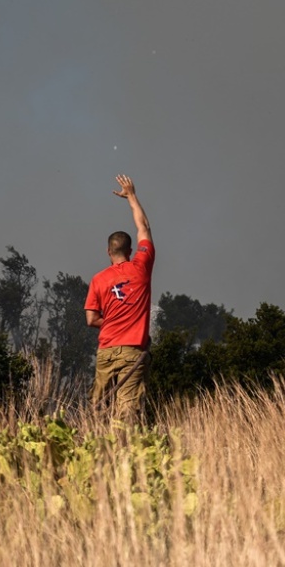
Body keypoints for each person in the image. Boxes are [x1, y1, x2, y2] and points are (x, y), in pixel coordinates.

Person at [84, 174, 155, 420]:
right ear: (131, 250)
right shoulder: (141, 267)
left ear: (108, 251)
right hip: (133, 351)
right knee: (128, 413)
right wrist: (132, 196)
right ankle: (126, 453)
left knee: (97, 410)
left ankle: (99, 452)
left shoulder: (98, 280)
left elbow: (91, 319)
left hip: (106, 351)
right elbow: (143, 227)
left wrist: (112, 322)